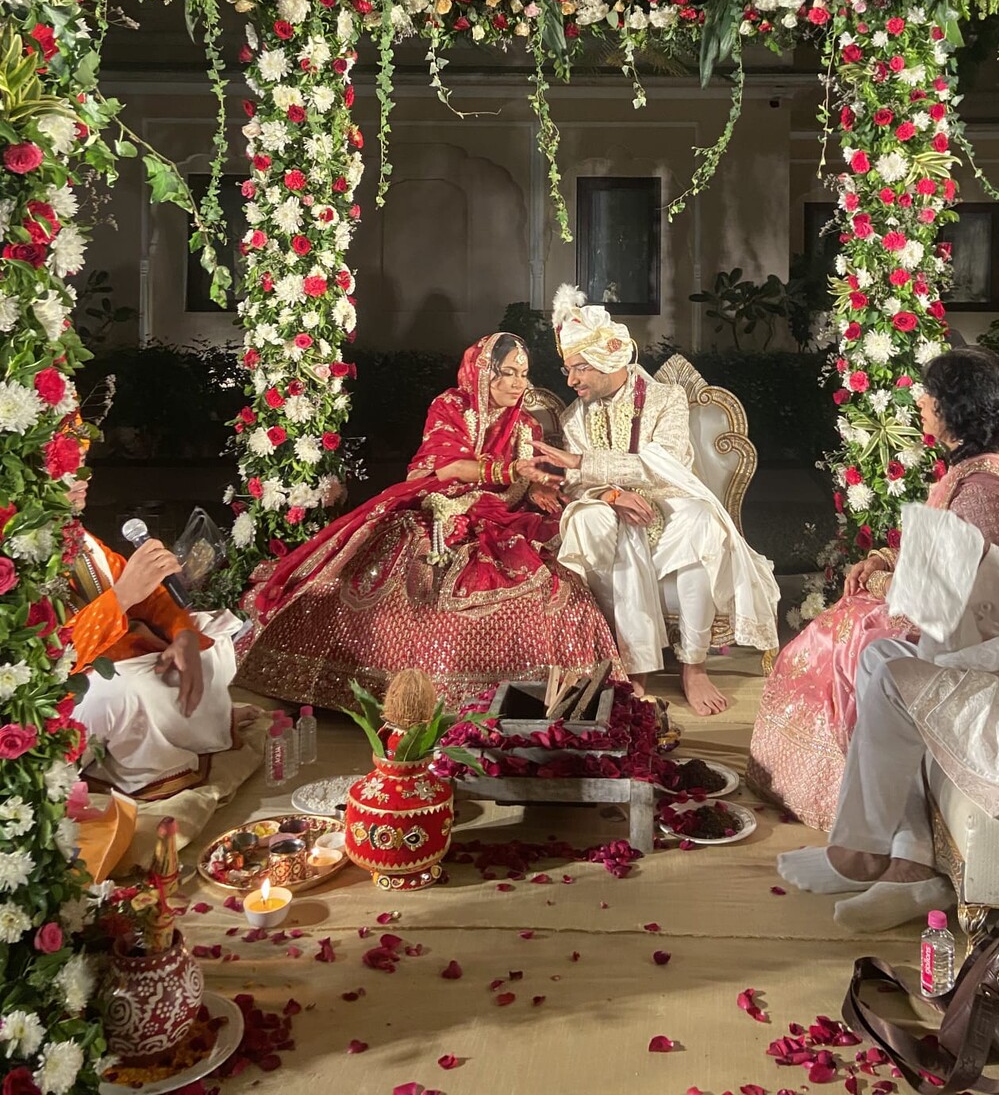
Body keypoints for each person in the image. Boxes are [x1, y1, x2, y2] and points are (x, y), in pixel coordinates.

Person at [778, 346, 999, 930]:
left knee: (881, 663)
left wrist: (976, 565)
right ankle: (889, 855)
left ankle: (883, 857)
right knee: (882, 654)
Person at [748, 348, 999, 829]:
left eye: (930, 394)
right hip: (962, 612)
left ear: (959, 407)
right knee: (842, 622)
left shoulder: (985, 490)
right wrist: (883, 558)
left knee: (843, 637)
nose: (921, 402)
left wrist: (875, 579)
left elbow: (936, 593)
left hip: (974, 635)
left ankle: (862, 810)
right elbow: (943, 549)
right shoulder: (983, 470)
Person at [236, 333, 620, 708]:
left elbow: (529, 479)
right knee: (401, 572)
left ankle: (548, 693)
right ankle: (408, 694)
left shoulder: (525, 426)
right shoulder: (452, 406)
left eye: (524, 374)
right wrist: (510, 470)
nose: (519, 383)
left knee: (552, 585)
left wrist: (539, 489)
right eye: (509, 372)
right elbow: (447, 466)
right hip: (440, 508)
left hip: (501, 518)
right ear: (485, 372)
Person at [533, 286, 779, 717]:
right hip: (612, 517)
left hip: (667, 506)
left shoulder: (666, 400)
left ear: (610, 360)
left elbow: (664, 465)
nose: (571, 381)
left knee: (702, 520)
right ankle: (634, 668)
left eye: (580, 369)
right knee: (599, 521)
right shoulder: (575, 417)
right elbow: (573, 485)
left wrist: (584, 461)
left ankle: (694, 666)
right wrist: (610, 493)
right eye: (568, 369)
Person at [66, 476, 242, 800]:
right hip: (65, 685)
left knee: (213, 641)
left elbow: (153, 598)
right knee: (126, 692)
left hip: (122, 649)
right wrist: (120, 598)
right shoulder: (17, 558)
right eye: (68, 468)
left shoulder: (78, 538)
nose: (85, 476)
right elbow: (49, 655)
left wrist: (182, 634)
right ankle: (150, 768)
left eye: (82, 463)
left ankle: (187, 734)